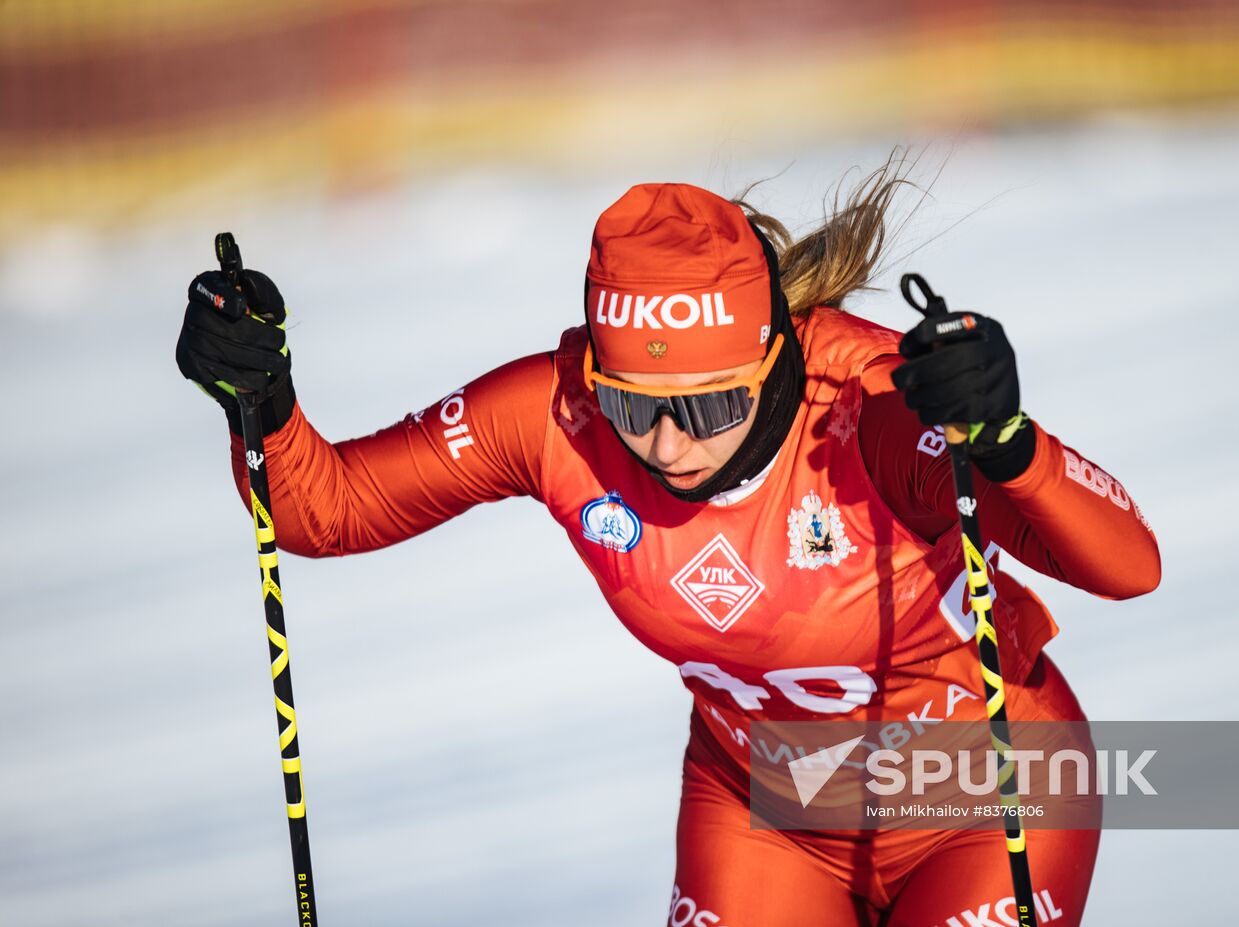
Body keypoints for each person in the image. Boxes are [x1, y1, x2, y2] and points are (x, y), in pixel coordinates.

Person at [176, 164, 1160, 926]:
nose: (667, 444)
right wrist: (260, 403)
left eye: (712, 403)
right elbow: (324, 509)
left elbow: (1127, 567)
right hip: (767, 803)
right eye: (631, 406)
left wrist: (1007, 442)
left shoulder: (864, 409)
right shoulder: (552, 412)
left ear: (772, 357)